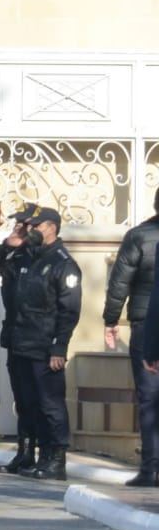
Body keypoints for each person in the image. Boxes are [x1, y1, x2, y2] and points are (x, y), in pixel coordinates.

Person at [1, 205, 82, 481]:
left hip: (45, 347)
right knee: (25, 402)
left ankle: (55, 459)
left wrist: (60, 347)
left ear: (51, 227)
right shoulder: (24, 256)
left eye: (35, 226)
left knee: (50, 404)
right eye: (28, 226)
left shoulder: (62, 263)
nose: (30, 230)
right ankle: (27, 454)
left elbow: (69, 310)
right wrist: (7, 240)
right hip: (19, 341)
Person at [102, 188, 159, 487]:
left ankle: (150, 468)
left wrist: (111, 319)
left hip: (145, 325)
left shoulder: (139, 236)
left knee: (149, 399)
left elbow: (119, 281)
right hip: (144, 322)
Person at [0, 202, 38, 475]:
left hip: (39, 338)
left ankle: (49, 456)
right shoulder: (12, 255)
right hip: (16, 335)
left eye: (22, 225)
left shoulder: (41, 255)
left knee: (41, 401)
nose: (15, 229)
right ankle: (24, 455)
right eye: (15, 224)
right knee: (23, 399)